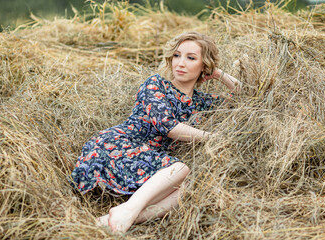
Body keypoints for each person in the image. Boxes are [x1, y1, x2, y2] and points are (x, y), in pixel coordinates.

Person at [70, 31, 241, 233]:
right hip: (118, 145)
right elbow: (168, 127)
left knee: (188, 189)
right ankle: (126, 213)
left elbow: (240, 95)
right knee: (181, 170)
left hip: (147, 158)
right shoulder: (156, 84)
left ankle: (122, 216)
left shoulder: (200, 101)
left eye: (191, 58)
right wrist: (214, 138)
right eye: (176, 55)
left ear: (203, 65)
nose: (180, 63)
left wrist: (218, 73)